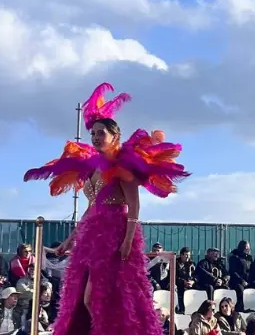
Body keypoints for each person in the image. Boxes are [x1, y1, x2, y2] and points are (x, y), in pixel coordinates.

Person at [23, 82, 191, 334]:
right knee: (81, 296)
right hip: (92, 235)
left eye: (101, 132)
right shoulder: (90, 166)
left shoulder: (124, 164)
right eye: (93, 133)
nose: (95, 137)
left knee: (100, 297)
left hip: (114, 234)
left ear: (115, 136)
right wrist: (70, 239)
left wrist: (127, 241)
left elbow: (134, 205)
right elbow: (91, 206)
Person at [228, 241, 253, 312]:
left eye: (248, 248)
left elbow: (251, 270)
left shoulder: (249, 258)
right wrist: (242, 280)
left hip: (247, 281)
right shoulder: (234, 257)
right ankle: (240, 309)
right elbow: (233, 271)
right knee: (240, 289)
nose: (248, 250)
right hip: (236, 281)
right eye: (246, 248)